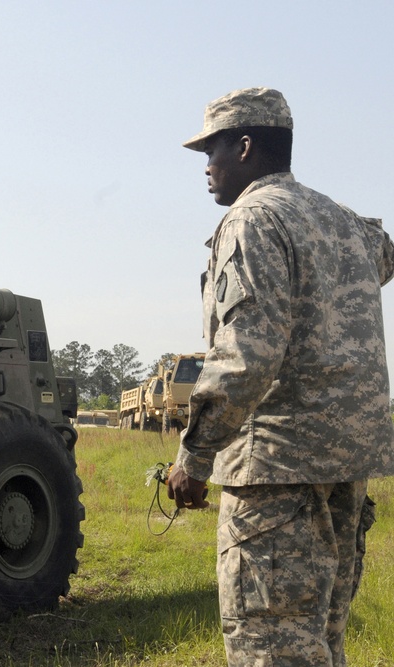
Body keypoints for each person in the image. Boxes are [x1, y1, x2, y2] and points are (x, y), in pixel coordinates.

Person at [168, 87, 394, 666]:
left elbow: (245, 358)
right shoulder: (342, 221)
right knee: (321, 641)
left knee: (273, 648)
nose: (207, 168)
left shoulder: (252, 220)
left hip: (276, 474)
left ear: (245, 146)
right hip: (347, 467)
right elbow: (384, 251)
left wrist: (194, 458)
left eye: (211, 151)